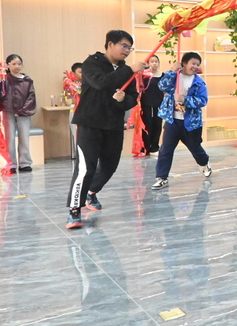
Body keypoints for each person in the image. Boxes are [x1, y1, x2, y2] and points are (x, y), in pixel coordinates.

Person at [66, 30, 147, 229]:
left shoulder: (126, 69)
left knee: (110, 166)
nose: (126, 50)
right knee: (86, 168)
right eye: (124, 46)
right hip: (90, 124)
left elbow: (132, 98)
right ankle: (74, 210)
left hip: (113, 125)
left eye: (129, 47)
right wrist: (130, 70)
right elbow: (101, 83)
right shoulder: (92, 63)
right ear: (110, 44)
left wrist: (123, 99)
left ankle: (90, 192)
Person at [152, 52, 212, 190]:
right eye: (193, 63)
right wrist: (172, 70)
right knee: (165, 150)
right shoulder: (175, 77)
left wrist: (185, 100)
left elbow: (203, 101)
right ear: (184, 63)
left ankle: (204, 163)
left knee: (195, 148)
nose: (195, 66)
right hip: (172, 120)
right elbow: (162, 86)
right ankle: (162, 178)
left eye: (197, 64)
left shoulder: (199, 83)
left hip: (191, 123)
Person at [1, 54, 36, 173]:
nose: (17, 66)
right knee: (9, 138)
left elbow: (31, 97)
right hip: (8, 111)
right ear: (8, 65)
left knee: (24, 137)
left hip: (23, 113)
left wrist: (23, 110)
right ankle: (10, 163)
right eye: (14, 64)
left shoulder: (27, 80)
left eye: (19, 64)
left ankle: (25, 163)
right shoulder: (4, 79)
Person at [140, 55, 164, 156]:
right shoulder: (144, 75)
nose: (154, 63)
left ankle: (154, 147)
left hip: (159, 104)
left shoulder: (163, 76)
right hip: (146, 104)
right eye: (152, 61)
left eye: (156, 61)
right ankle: (145, 148)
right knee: (147, 125)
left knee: (157, 125)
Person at [64, 62, 82, 158]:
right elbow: (70, 98)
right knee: (77, 135)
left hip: (87, 112)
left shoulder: (88, 82)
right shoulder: (69, 83)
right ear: (73, 73)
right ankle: (79, 156)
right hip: (75, 110)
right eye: (80, 72)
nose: (83, 74)